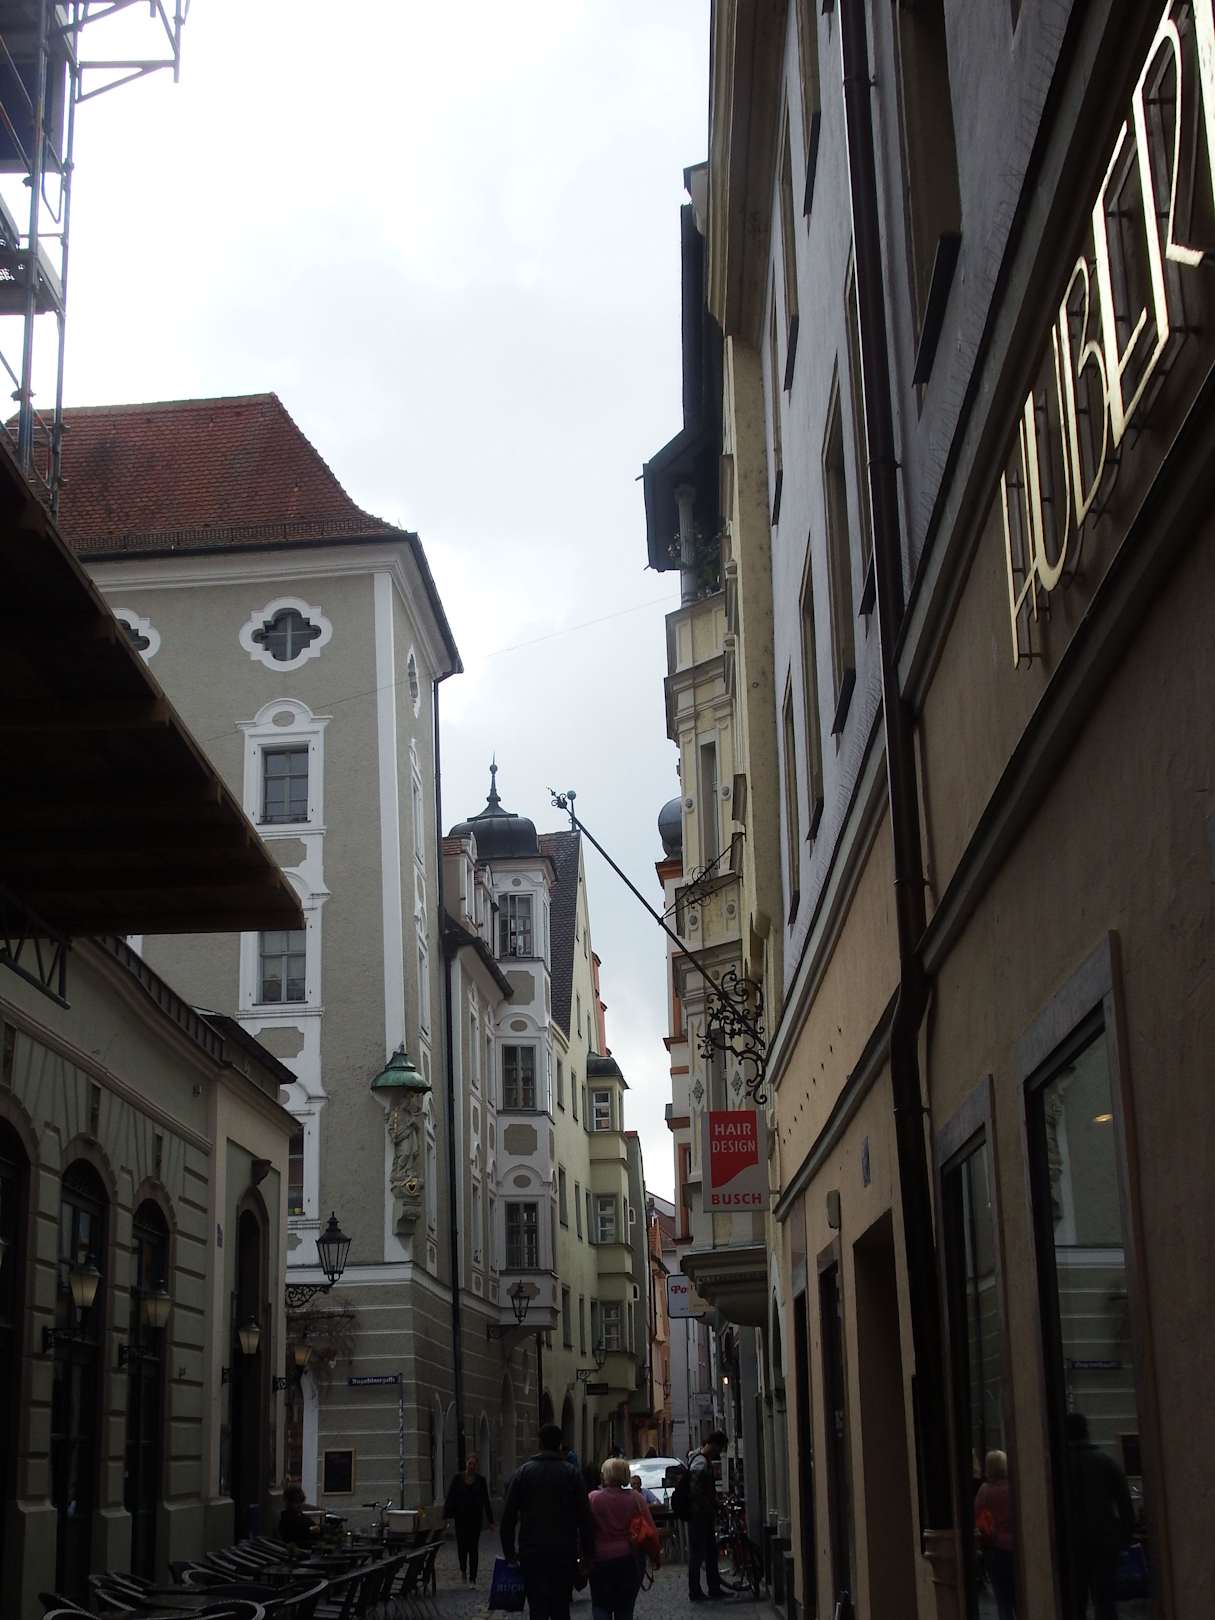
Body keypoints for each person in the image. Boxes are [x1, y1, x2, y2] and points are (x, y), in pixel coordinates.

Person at [501, 1422, 595, 1620]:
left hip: (532, 1552)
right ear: (560, 1444)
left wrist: (510, 1554)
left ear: (540, 1443)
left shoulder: (523, 1473)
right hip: (563, 1552)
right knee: (561, 1607)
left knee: (537, 1609)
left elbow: (508, 1517)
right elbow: (585, 1517)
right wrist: (588, 1554)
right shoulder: (571, 1473)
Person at [1065, 1412, 1135, 1620]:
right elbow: (1124, 1503)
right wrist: (1124, 1537)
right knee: (1105, 1602)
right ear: (1086, 1432)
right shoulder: (1106, 1462)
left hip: (1071, 1544)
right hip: (1104, 1542)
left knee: (1074, 1602)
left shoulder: (1058, 1466)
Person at [589, 1457, 655, 1620]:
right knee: (625, 1608)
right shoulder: (636, 1498)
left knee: (601, 1604)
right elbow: (651, 1529)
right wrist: (655, 1556)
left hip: (600, 1559)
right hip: (629, 1558)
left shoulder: (594, 1498)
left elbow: (584, 1529)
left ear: (606, 1475)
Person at [974, 1449, 1015, 1620]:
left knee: (1002, 1600)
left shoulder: (985, 1491)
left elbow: (979, 1519)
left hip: (995, 1549)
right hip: (1016, 1547)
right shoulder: (1014, 1488)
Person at [687, 1430, 728, 1602]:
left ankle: (713, 1587)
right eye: (720, 1448)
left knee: (710, 1552)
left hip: (703, 1513)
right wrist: (710, 1504)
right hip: (699, 1515)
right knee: (698, 1554)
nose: (719, 1452)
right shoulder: (700, 1463)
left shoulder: (700, 1458)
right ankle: (695, 1591)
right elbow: (696, 1491)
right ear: (714, 1445)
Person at [444, 1451, 494, 1584]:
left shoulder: (481, 1480)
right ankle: (463, 1569)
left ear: (477, 1466)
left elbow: (486, 1500)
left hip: (475, 1520)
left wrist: (491, 1521)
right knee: (462, 1547)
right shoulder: (457, 1478)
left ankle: (473, 1577)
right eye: (470, 1463)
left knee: (473, 1548)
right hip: (460, 1519)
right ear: (466, 1463)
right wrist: (446, 1516)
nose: (471, 1466)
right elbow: (451, 1497)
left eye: (474, 1464)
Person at [278, 1484, 318, 1549]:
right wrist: (313, 1529)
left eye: (300, 1502)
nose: (299, 1505)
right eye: (296, 1502)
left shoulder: (301, 1515)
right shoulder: (287, 1519)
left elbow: (313, 1527)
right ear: (288, 1502)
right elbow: (301, 1532)